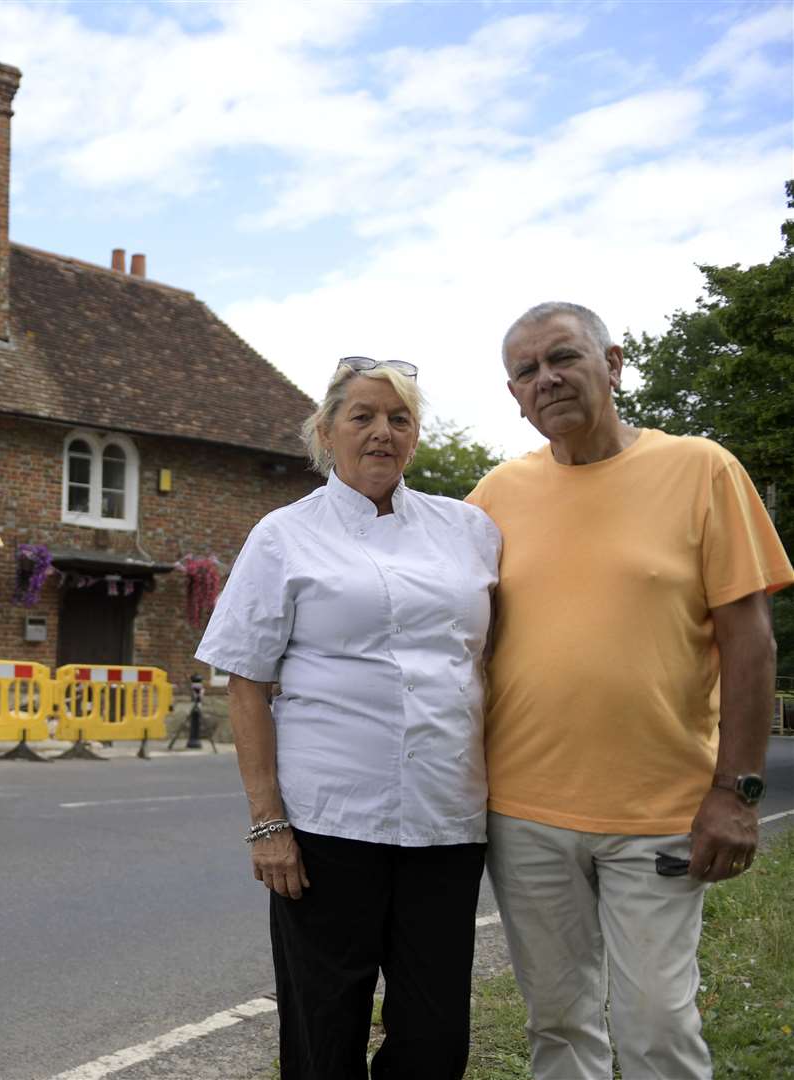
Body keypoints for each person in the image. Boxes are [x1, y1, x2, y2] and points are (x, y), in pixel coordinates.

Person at [470, 301, 791, 1079]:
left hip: (661, 813)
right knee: (557, 1026)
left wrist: (736, 793)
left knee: (655, 1027)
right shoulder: (490, 499)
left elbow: (749, 643)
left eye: (563, 358)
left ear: (611, 364)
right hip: (523, 814)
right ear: (512, 394)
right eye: (525, 371)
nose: (545, 379)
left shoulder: (699, 468)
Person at [197, 356, 501, 1079]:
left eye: (398, 419)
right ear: (325, 431)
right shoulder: (282, 535)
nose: (380, 433)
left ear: (415, 436)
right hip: (328, 825)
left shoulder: (468, 531)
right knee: (322, 1030)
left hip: (445, 820)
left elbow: (491, 660)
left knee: (433, 1039)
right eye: (361, 416)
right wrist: (267, 823)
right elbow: (246, 684)